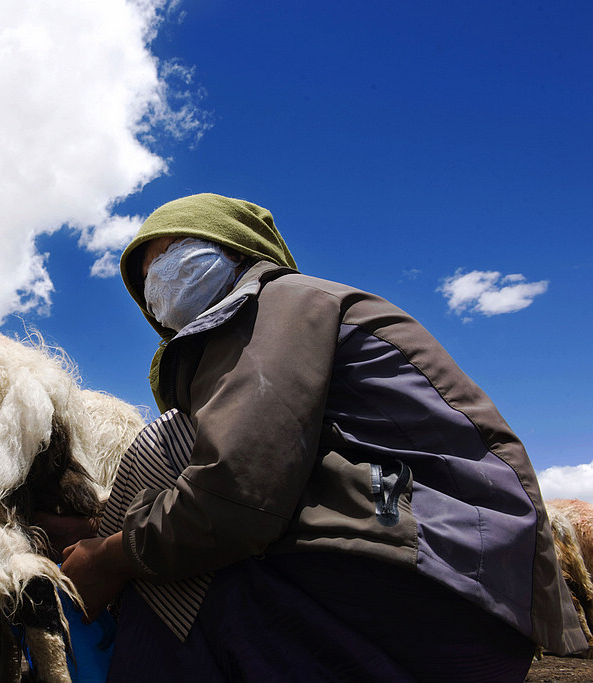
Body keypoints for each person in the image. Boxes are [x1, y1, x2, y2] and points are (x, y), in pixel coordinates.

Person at [60, 193, 584, 681]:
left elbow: (234, 493)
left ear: (238, 251)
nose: (161, 277)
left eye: (178, 252)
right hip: (464, 587)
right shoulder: (298, 318)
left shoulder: (283, 304)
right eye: (150, 273)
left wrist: (110, 555)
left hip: (422, 585)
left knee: (166, 480)